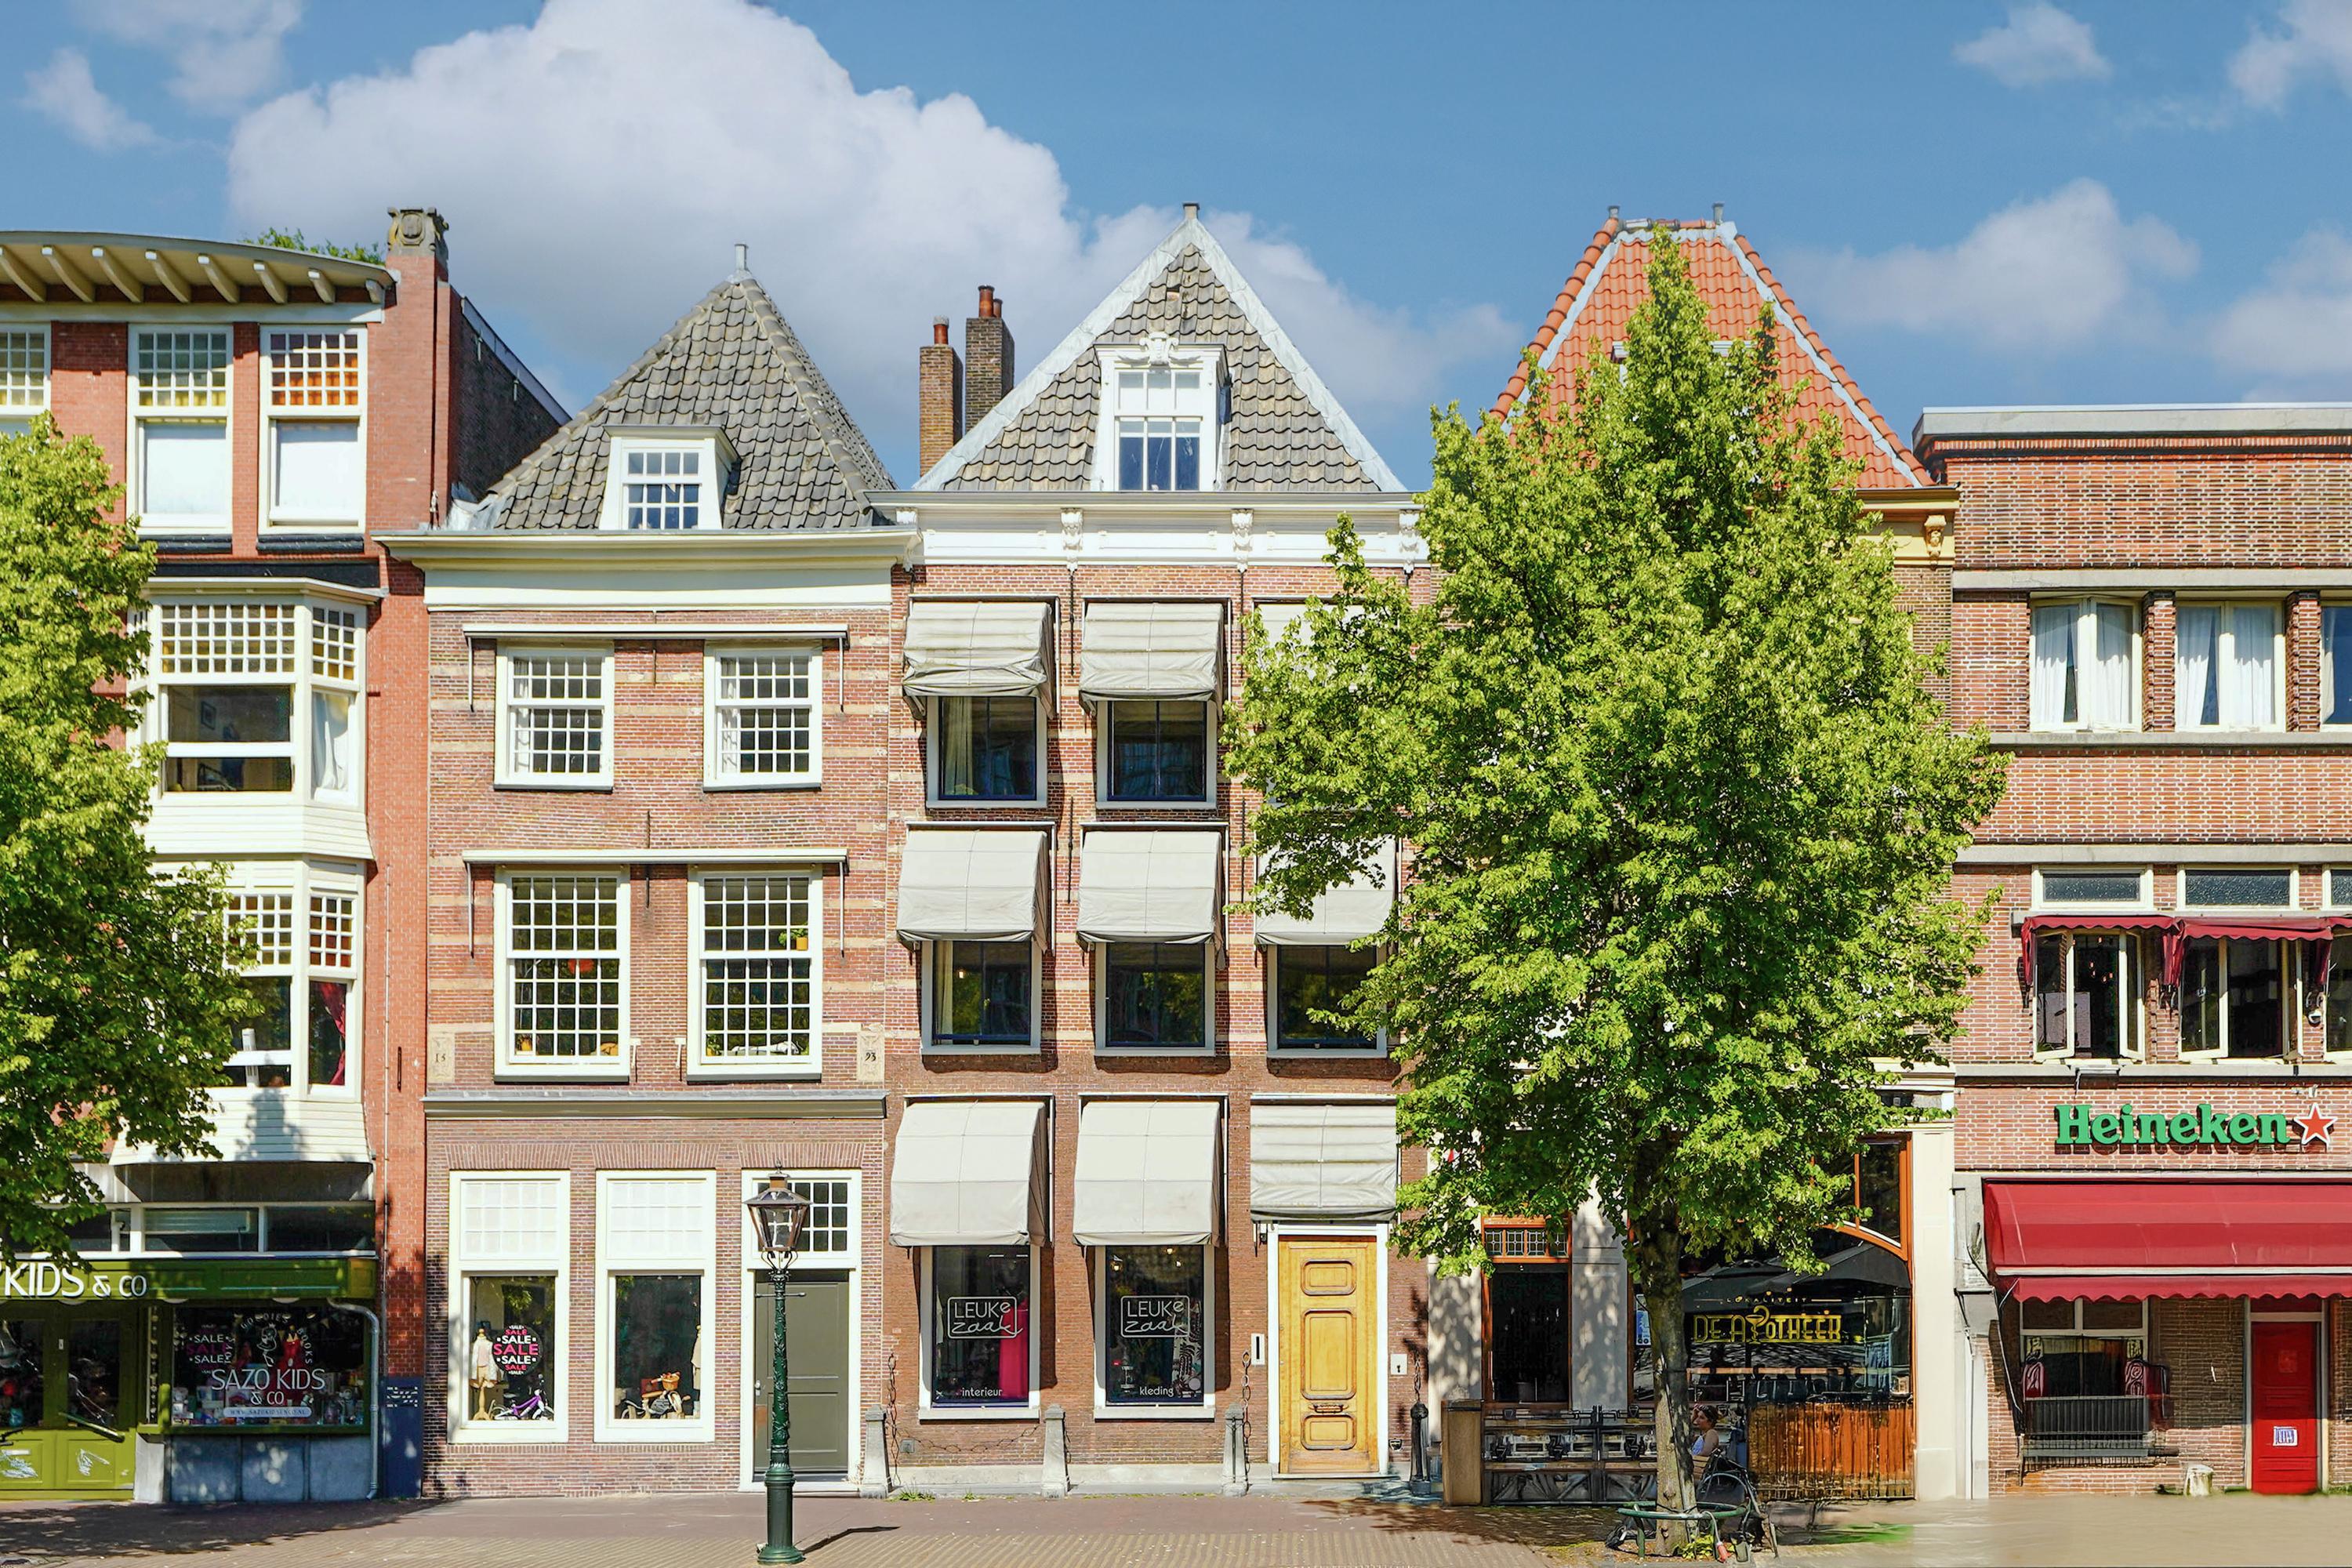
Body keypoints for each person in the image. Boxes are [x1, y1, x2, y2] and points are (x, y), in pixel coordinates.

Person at [1690, 1405, 1730, 1469]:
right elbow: (1683, 1435)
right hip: (1696, 1467)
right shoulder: (1700, 1436)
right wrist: (1693, 1417)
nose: (1697, 1420)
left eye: (1702, 1418)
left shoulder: (1711, 1433)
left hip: (1700, 1468)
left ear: (1710, 1421)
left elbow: (1705, 1453)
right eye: (1697, 1417)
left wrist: (1689, 1460)